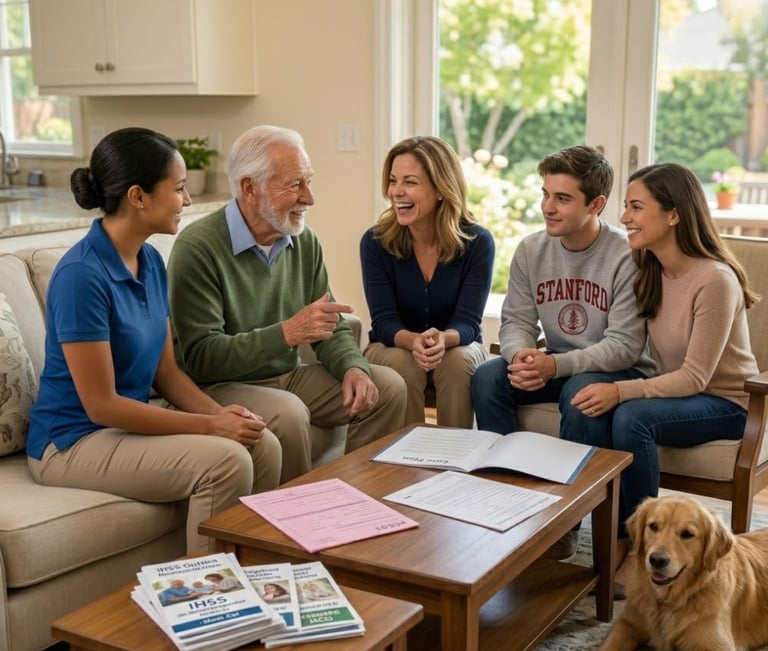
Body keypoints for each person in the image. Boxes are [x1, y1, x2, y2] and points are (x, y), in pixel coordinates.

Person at [25, 128, 282, 555]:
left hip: (121, 423)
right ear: (138, 196)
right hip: (71, 440)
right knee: (226, 460)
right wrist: (209, 425)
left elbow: (166, 373)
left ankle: (259, 578)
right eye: (178, 188)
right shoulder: (81, 277)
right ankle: (211, 603)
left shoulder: (150, 261)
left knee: (261, 442)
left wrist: (224, 415)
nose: (186, 200)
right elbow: (101, 405)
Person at [166, 125, 407, 483]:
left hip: (287, 375)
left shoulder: (303, 240)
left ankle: (360, 497)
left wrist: (354, 368)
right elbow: (201, 358)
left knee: (387, 387)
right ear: (250, 188)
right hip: (219, 385)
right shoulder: (197, 248)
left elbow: (329, 326)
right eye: (295, 185)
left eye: (309, 182)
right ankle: (295, 524)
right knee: (289, 412)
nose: (309, 198)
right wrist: (288, 333)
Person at [564, 162, 759, 585]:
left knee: (632, 415)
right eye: (626, 206)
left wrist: (621, 392)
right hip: (682, 395)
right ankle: (608, 536)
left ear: (673, 214)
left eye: (636, 207)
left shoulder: (714, 279)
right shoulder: (649, 269)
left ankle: (638, 553)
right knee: (595, 400)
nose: (624, 218)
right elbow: (628, 346)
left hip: (728, 403)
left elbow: (695, 377)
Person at [470, 144, 656, 559]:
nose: (547, 207)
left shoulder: (628, 255)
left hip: (616, 373)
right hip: (556, 365)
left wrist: (555, 365)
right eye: (545, 194)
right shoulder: (531, 250)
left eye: (562, 198)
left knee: (580, 392)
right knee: (487, 375)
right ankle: (506, 501)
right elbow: (516, 321)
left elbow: (624, 346)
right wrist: (521, 357)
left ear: (597, 204)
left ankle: (564, 523)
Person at [360, 136, 494, 427]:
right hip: (392, 346)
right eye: (393, 181)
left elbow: (469, 323)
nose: (396, 192)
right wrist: (416, 341)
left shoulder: (477, 242)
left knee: (457, 363)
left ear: (441, 189)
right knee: (404, 364)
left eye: (410, 182)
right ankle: (406, 462)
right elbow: (384, 322)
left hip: (457, 346)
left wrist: (441, 340)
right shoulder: (375, 242)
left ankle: (452, 459)